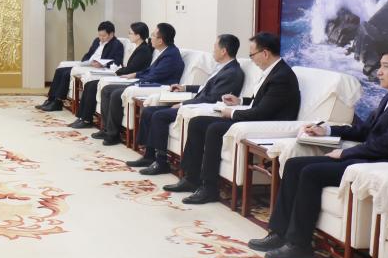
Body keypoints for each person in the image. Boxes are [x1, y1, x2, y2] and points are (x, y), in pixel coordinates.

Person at [249, 44, 388, 258]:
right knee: (294, 164)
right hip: (371, 157)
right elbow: (365, 130)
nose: (379, 72)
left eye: (386, 66)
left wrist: (344, 154)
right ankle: (278, 233)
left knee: (311, 172)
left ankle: (299, 245)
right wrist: (327, 130)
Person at [170, 32, 301, 205]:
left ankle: (209, 188)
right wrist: (240, 101)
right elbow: (261, 101)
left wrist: (231, 113)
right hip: (257, 117)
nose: (251, 59)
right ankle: (191, 178)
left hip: (267, 125)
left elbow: (262, 112)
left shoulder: (281, 76)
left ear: (265, 53)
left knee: (214, 128)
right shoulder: (273, 71)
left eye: (252, 55)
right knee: (197, 122)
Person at [126, 34, 244, 176]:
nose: (213, 50)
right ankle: (149, 156)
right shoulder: (223, 68)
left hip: (200, 108)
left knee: (159, 116)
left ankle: (161, 162)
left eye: (215, 47)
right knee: (149, 111)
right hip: (195, 102)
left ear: (223, 51)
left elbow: (213, 98)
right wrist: (185, 88)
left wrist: (183, 104)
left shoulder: (232, 72)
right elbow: (206, 88)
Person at [91, 23, 183, 145]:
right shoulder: (164, 51)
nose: (150, 38)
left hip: (158, 86)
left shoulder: (171, 55)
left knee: (116, 93)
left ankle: (113, 135)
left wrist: (137, 80)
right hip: (148, 82)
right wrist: (135, 74)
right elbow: (150, 70)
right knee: (107, 89)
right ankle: (106, 129)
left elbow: (155, 76)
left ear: (160, 40)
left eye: (153, 35)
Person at [67, 22, 152, 129]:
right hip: (125, 75)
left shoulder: (143, 50)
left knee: (92, 86)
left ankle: (87, 120)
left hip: (131, 78)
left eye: (130, 33)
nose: (128, 35)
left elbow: (132, 68)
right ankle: (82, 117)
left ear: (138, 35)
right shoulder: (138, 47)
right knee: (89, 84)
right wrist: (120, 71)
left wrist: (117, 72)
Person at [39, 21, 124, 112]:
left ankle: (58, 102)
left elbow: (117, 62)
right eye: (99, 35)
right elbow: (88, 54)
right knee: (60, 70)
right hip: (88, 65)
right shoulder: (97, 41)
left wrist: (103, 63)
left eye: (104, 36)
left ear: (111, 34)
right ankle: (50, 99)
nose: (101, 38)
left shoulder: (117, 45)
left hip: (99, 68)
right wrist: (86, 61)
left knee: (67, 73)